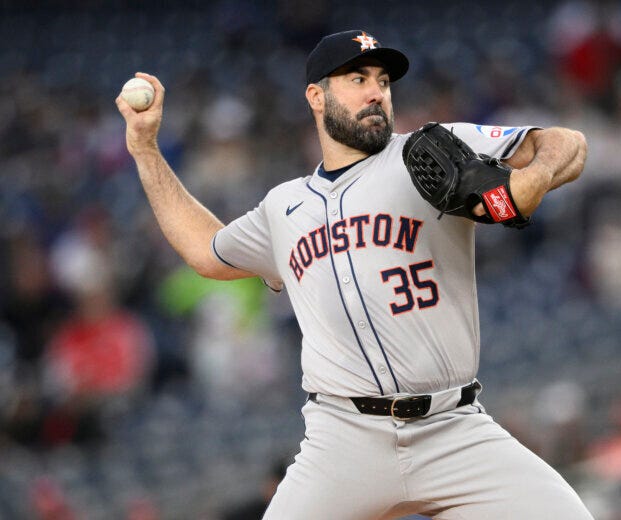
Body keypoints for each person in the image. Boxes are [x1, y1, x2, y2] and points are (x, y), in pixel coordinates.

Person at [116, 29, 592, 519]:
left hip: (454, 429)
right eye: (358, 78)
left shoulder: (426, 154)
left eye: (383, 81)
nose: (376, 92)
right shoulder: (283, 208)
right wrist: (146, 150)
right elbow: (205, 252)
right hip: (343, 442)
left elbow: (565, 143)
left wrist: (524, 184)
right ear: (316, 97)